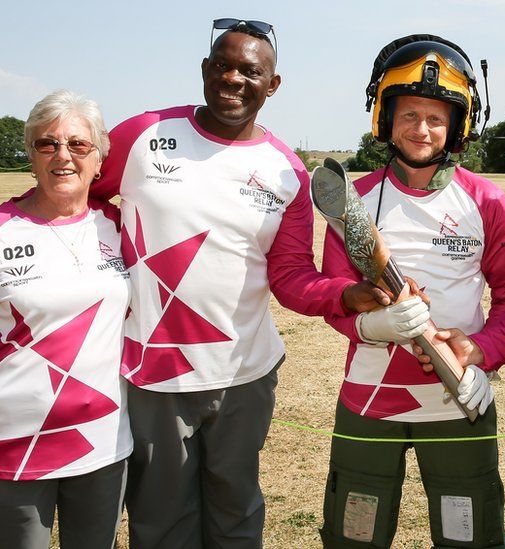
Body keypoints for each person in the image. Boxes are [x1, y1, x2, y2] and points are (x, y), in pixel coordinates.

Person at [89, 19, 377, 548]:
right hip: (154, 372)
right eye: (221, 65)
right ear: (205, 69)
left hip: (244, 374)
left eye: (250, 71)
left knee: (235, 511)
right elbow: (81, 197)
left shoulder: (287, 171)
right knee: (160, 518)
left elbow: (289, 276)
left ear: (273, 85)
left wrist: (344, 294)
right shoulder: (143, 134)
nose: (232, 79)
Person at [317, 35, 505, 548]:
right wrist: (370, 325)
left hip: (456, 399)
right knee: (354, 535)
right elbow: (334, 294)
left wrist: (482, 353)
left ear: (458, 125)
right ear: (385, 119)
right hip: (369, 400)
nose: (422, 129)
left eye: (437, 117)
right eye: (409, 114)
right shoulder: (353, 202)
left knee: (469, 536)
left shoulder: (487, 200)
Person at [0, 91, 130, 548]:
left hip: (104, 443)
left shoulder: (119, 225)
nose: (63, 156)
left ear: (99, 159)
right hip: (13, 449)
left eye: (78, 145)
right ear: (31, 155)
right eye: (47, 144)